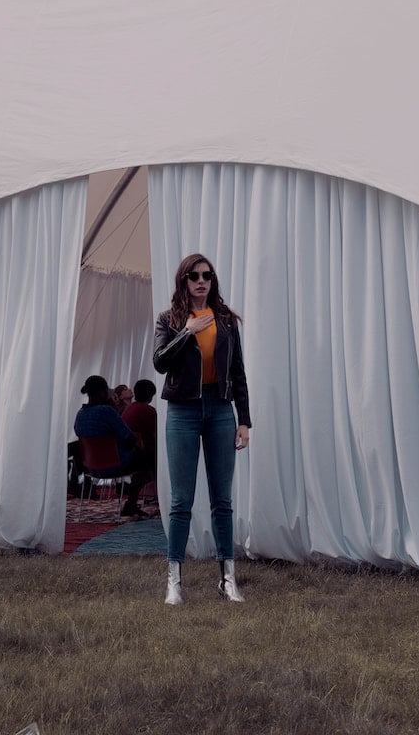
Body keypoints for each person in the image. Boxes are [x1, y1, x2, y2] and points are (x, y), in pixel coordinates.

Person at [153, 254, 251, 605]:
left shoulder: (225, 321)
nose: (201, 281)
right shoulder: (169, 319)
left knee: (222, 500)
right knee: (181, 500)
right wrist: (186, 333)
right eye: (194, 275)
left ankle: (227, 579)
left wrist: (244, 421)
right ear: (184, 281)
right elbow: (160, 361)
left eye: (207, 275)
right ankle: (174, 583)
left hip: (221, 410)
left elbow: (238, 372)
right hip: (182, 411)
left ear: (213, 280)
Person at [73, 375, 153, 519]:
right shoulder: (107, 412)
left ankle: (131, 504)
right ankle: (131, 504)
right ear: (103, 391)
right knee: (150, 459)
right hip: (116, 464)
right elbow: (129, 438)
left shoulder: (80, 414)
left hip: (92, 468)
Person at [121, 379, 158, 511]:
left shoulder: (129, 409)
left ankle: (132, 502)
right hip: (138, 455)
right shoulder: (148, 410)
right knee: (159, 462)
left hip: (127, 453)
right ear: (150, 396)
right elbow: (156, 435)